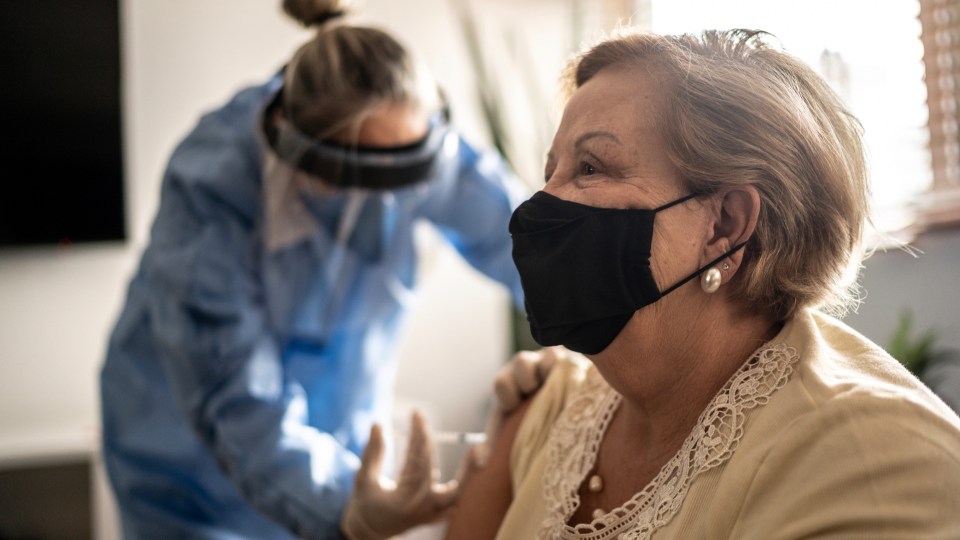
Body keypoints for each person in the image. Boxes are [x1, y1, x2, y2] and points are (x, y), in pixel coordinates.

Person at [444, 29, 960, 539]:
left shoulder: (870, 463)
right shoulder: (548, 408)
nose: (540, 204)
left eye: (590, 167)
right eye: (549, 170)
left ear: (725, 227)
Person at [99, 0, 545, 538]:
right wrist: (345, 506)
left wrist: (602, 315)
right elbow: (236, 400)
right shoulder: (211, 192)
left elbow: (523, 243)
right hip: (190, 479)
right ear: (291, 140)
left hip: (338, 443)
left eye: (408, 174)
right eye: (368, 179)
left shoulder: (411, 139)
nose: (392, 198)